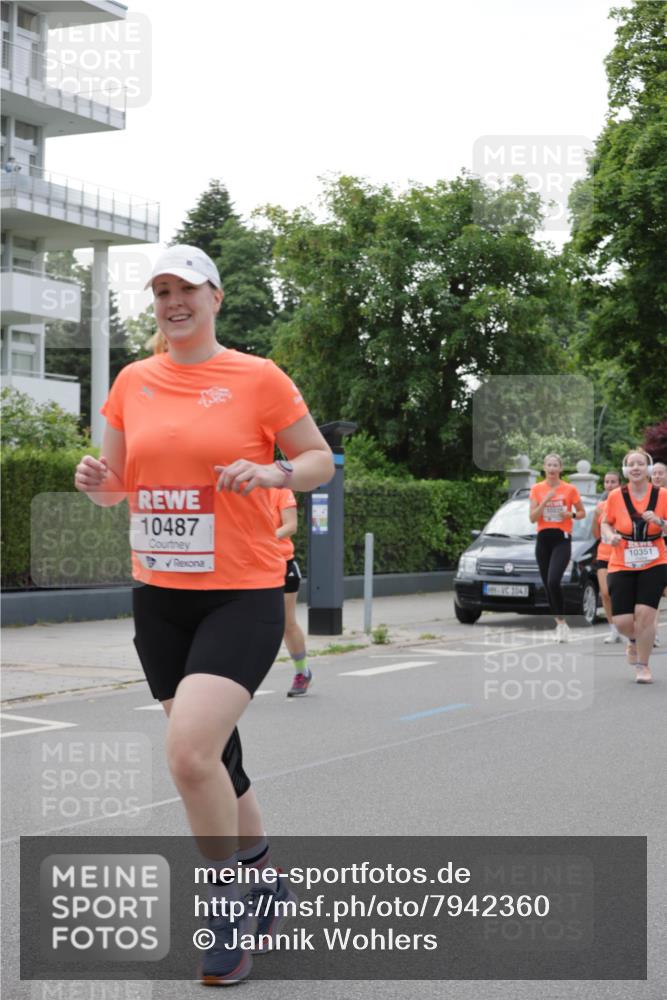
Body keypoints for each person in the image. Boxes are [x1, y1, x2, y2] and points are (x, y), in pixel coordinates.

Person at [74, 244, 334, 986]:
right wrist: (95, 480)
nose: (171, 301)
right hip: (159, 595)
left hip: (241, 592)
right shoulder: (132, 380)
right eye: (159, 291)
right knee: (216, 761)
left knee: (189, 754)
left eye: (184, 288)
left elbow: (316, 459)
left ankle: (225, 905)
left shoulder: (257, 378)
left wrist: (273, 470)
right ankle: (265, 880)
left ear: (215, 297)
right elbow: (116, 487)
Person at [601, 449, 667, 684]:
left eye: (640, 464)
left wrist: (660, 522)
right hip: (622, 560)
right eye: (631, 464)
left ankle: (643, 665)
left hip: (655, 560)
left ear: (649, 469)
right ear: (625, 470)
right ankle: (632, 640)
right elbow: (606, 524)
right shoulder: (616, 496)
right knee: (623, 622)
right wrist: (610, 537)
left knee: (645, 614)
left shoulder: (662, 495)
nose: (636, 468)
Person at [529, 454, 586, 642]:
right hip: (543, 539)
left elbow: (582, 513)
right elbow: (532, 518)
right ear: (544, 468)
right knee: (547, 585)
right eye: (549, 465)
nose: (552, 469)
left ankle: (561, 622)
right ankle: (560, 624)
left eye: (555, 465)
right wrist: (545, 501)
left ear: (560, 469)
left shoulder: (569, 489)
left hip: (562, 539)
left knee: (554, 580)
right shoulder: (537, 489)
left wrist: (569, 514)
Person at [268, 488, 312, 696]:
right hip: (254, 565)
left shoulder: (280, 491)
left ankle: (302, 672)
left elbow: (291, 526)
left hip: (282, 564)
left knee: (287, 623)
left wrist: (264, 538)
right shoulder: (244, 490)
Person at [592, 470, 622, 642]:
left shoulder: (625, 504)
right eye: (607, 482)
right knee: (605, 593)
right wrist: (594, 517)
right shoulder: (599, 507)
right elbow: (596, 534)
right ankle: (614, 630)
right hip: (604, 554)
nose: (610, 485)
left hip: (621, 554)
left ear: (620, 484)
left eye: (613, 482)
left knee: (622, 593)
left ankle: (628, 625)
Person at [650, 461, 667, 646]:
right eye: (654, 473)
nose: (656, 476)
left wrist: (660, 521)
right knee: (652, 593)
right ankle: (651, 633)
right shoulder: (644, 496)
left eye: (660, 473)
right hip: (653, 550)